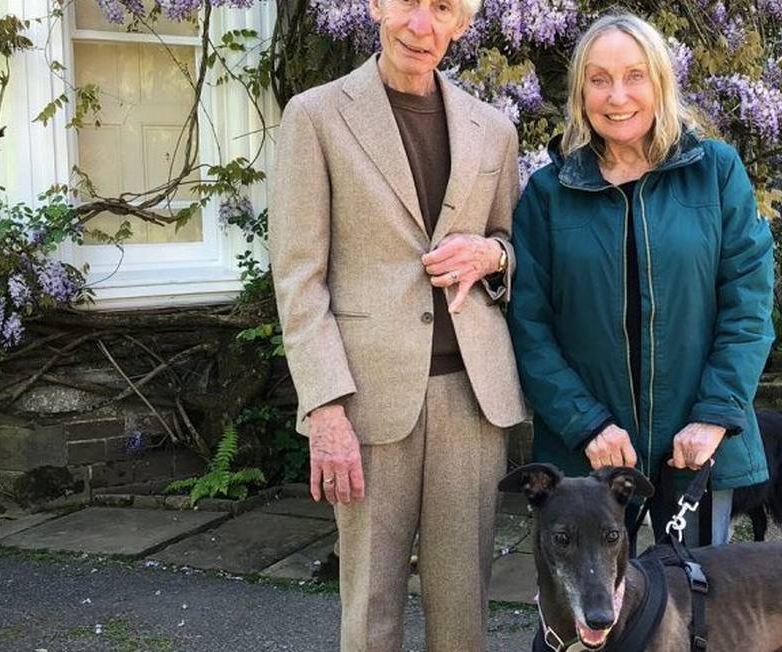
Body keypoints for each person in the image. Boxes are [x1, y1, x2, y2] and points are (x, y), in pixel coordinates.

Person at [268, 0, 527, 649]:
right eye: (407, 1)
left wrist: (493, 255)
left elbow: (511, 243)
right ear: (377, 6)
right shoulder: (316, 117)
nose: (421, 23)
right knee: (372, 607)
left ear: (461, 23)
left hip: (472, 401)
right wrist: (325, 412)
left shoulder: (493, 129)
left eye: (442, 7)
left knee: (464, 609)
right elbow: (300, 279)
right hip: (367, 400)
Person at [508, 13, 774, 549]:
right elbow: (528, 326)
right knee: (591, 613)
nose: (617, 96)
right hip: (589, 456)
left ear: (660, 82)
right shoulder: (547, 191)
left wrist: (714, 417)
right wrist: (586, 424)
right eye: (599, 79)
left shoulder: (716, 171)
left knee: (694, 615)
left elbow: (748, 304)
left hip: (692, 444)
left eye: (634, 76)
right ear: (581, 91)